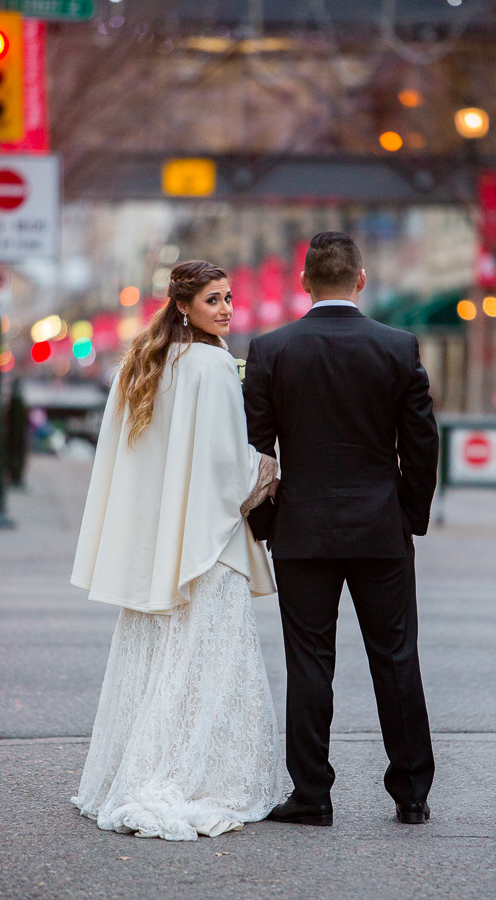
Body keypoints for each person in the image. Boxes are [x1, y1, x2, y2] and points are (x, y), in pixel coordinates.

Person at [70, 260, 283, 841]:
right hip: (207, 546)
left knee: (160, 657)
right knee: (203, 661)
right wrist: (268, 468)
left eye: (229, 298)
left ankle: (135, 768)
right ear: (184, 306)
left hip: (158, 540)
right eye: (213, 300)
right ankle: (185, 771)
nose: (226, 309)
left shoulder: (142, 365)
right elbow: (223, 467)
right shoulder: (213, 366)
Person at [244, 232, 439, 827]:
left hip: (303, 530)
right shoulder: (398, 347)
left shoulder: (271, 350)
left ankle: (312, 795)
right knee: (397, 657)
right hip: (380, 527)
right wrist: (407, 513)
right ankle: (411, 794)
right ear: (361, 279)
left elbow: (253, 450)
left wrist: (271, 519)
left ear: (303, 282)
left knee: (309, 662)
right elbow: (423, 444)